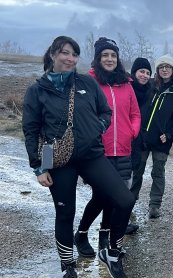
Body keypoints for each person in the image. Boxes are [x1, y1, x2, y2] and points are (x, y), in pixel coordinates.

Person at [22, 36, 134, 278]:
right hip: (60, 161)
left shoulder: (86, 83)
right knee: (65, 212)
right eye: (65, 53)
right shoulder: (37, 91)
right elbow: (30, 130)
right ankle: (68, 267)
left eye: (74, 54)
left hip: (91, 155)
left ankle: (112, 253)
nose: (70, 58)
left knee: (124, 199)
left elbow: (105, 110)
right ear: (52, 54)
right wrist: (38, 167)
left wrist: (99, 127)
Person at [74, 36, 140, 271]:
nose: (110, 59)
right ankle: (81, 234)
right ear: (98, 58)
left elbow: (135, 113)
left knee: (116, 196)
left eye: (113, 55)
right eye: (105, 55)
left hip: (122, 149)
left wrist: (132, 131)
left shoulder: (126, 83)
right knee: (101, 196)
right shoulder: (88, 82)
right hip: (97, 151)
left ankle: (105, 237)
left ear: (117, 59)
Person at [132, 54, 173, 219]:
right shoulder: (148, 85)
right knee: (137, 171)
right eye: (162, 67)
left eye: (168, 67)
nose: (165, 69)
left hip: (162, 140)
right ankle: (129, 201)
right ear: (157, 70)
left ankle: (154, 205)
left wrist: (170, 135)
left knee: (157, 172)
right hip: (142, 138)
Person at [127, 57, 153, 232]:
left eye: (147, 72)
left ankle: (128, 207)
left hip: (142, 141)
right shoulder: (126, 88)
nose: (144, 75)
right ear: (134, 72)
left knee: (137, 175)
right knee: (122, 175)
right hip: (124, 139)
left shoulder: (152, 91)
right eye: (141, 71)